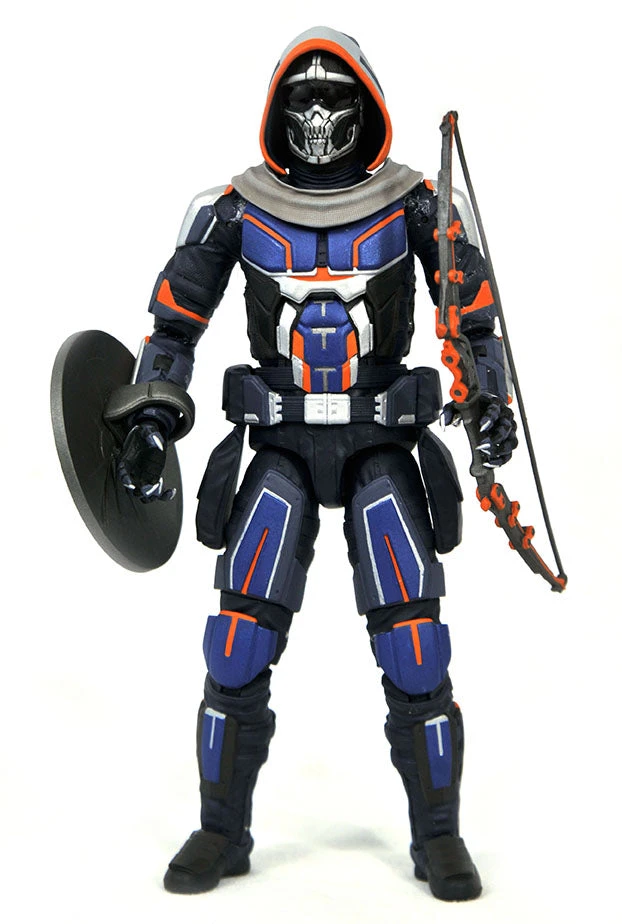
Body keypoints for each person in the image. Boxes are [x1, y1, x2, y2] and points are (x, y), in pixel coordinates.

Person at [117, 26, 517, 902]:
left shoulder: (415, 204)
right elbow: (173, 326)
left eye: (336, 97)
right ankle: (221, 829)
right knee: (237, 642)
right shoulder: (235, 208)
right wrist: (150, 415)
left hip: (381, 442)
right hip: (281, 445)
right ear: (279, 108)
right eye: (304, 98)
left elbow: (474, 320)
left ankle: (438, 836)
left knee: (414, 645)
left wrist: (488, 404)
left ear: (366, 105)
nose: (321, 115)